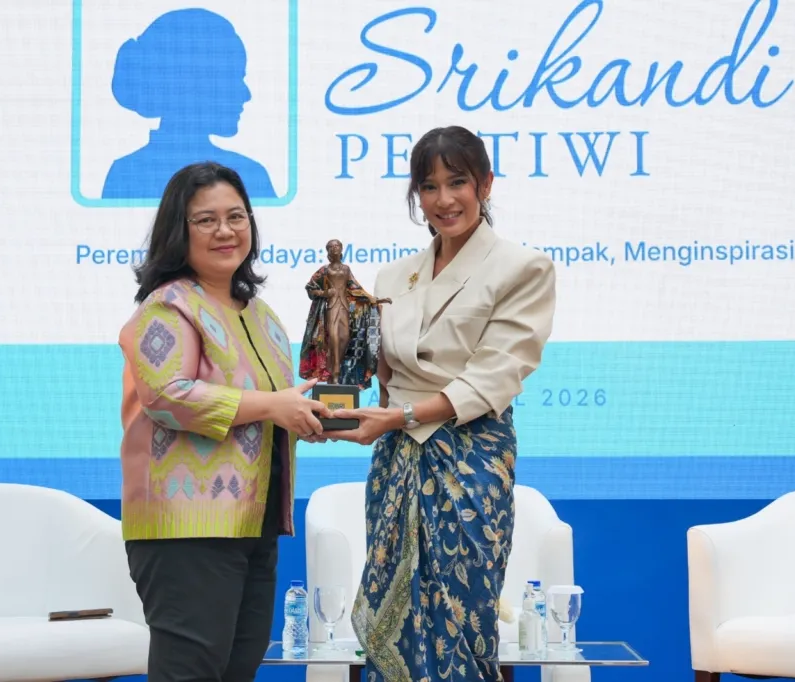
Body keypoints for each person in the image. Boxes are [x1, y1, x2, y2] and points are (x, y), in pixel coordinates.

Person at [326, 126, 557, 681]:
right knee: (392, 614)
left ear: (485, 184)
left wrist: (401, 416)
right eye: (428, 186)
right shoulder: (392, 275)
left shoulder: (523, 267)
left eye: (457, 182)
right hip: (397, 460)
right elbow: (383, 374)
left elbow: (494, 375)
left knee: (462, 614)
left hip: (471, 459)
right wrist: (340, 391)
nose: (443, 199)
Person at [117, 161, 329, 682]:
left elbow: (270, 406)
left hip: (253, 523)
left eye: (236, 216)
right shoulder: (167, 307)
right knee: (189, 673)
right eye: (206, 220)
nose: (225, 231)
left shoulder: (260, 314)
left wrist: (310, 415)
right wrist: (273, 406)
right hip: (185, 526)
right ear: (178, 229)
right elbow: (166, 395)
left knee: (238, 669)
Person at [299, 238, 390, 388]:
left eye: (337, 246)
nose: (335, 248)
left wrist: (374, 299)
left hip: (345, 308)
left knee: (345, 338)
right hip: (331, 308)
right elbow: (310, 288)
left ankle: (335, 370)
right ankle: (334, 375)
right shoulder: (324, 270)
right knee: (333, 339)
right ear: (328, 251)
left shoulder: (346, 269)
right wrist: (324, 293)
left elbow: (355, 288)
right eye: (331, 247)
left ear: (341, 249)